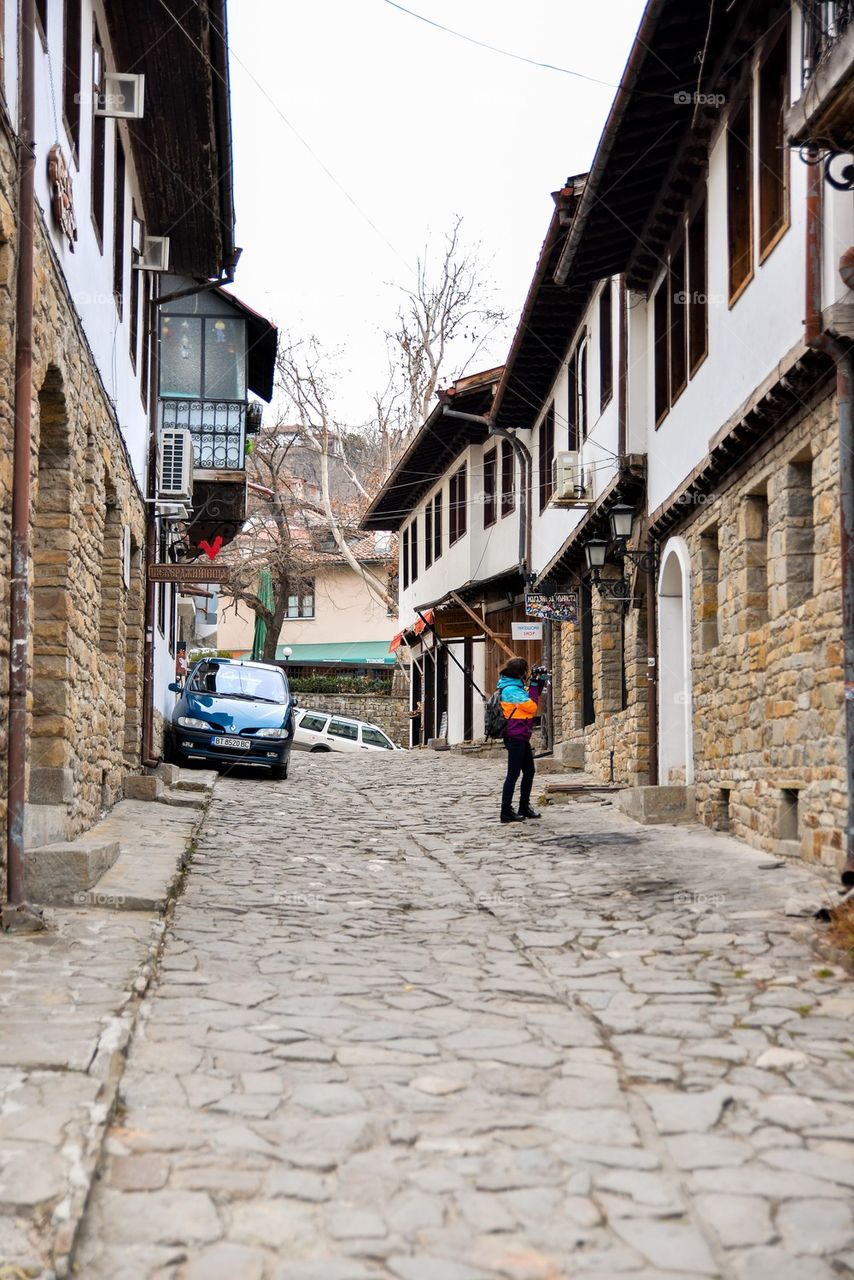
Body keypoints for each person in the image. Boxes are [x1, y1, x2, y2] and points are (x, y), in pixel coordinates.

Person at [496, 656, 545, 823]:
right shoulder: (511, 690)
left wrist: (539, 681)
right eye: (526, 672)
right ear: (521, 672)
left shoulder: (514, 686)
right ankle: (506, 811)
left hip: (521, 735)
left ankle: (524, 806)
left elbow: (533, 696)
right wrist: (531, 685)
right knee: (513, 774)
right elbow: (531, 706)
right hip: (515, 735)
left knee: (529, 771)